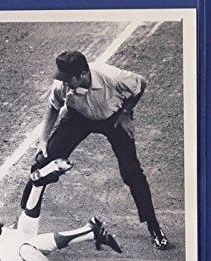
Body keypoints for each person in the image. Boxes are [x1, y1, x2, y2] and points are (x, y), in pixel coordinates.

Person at [20, 50, 168, 249]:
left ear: (82, 74)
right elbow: (53, 109)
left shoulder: (112, 77)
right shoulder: (62, 86)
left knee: (132, 173)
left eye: (67, 78)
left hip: (113, 119)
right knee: (41, 165)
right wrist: (44, 141)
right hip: (78, 119)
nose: (63, 82)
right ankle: (22, 220)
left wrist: (126, 113)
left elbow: (141, 83)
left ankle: (154, 227)